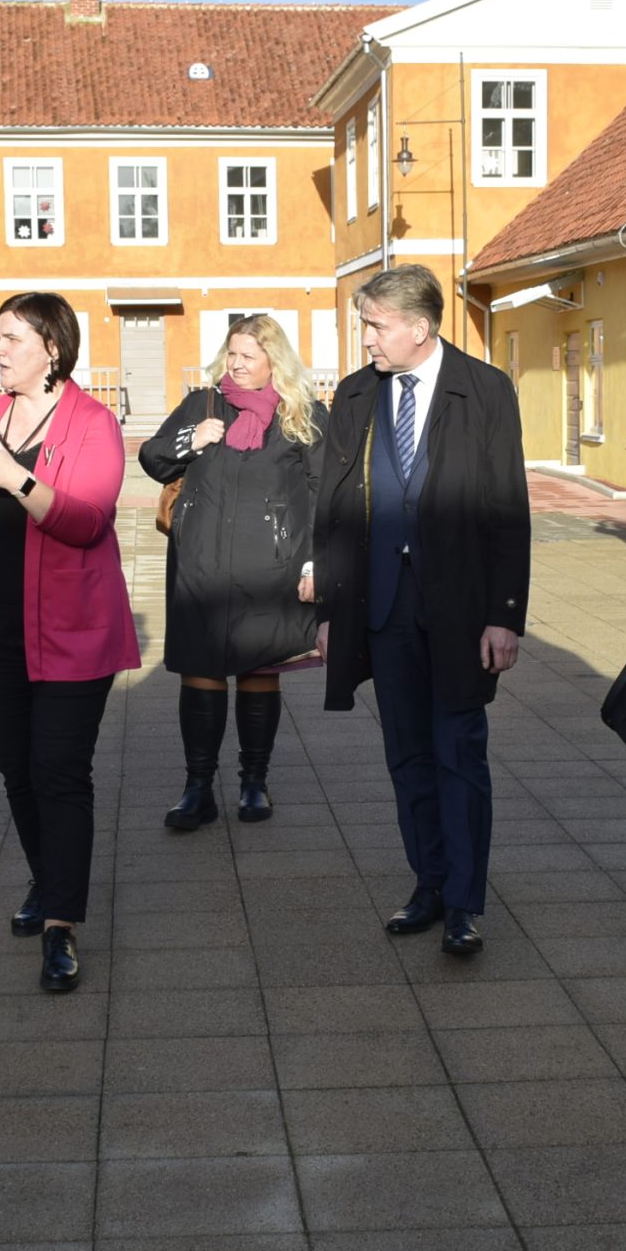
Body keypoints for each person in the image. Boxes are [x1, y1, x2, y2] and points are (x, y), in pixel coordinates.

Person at [313, 264, 530, 957]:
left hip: (461, 608)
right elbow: (334, 509)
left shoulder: (484, 390)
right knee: (407, 755)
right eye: (364, 325)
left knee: (458, 752)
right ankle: (429, 884)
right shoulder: (354, 394)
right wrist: (328, 610)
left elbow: (508, 509)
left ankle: (464, 902)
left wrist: (505, 614)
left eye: (376, 326)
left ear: (421, 327)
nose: (366, 338)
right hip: (383, 606)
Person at [0, 292, 140, 992]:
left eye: (11, 338)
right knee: (18, 770)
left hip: (70, 627)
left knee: (59, 769)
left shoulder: (93, 423)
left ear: (51, 348)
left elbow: (88, 522)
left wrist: (15, 477)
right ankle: (46, 876)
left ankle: (61, 923)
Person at [139, 315, 323, 829]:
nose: (237, 365)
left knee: (258, 669)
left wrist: (316, 561)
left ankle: (254, 782)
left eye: (249, 356)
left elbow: (323, 490)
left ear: (274, 361)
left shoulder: (301, 413)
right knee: (200, 668)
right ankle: (197, 788)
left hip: (271, 566)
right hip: (200, 563)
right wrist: (191, 440)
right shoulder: (203, 404)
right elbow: (152, 459)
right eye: (232, 354)